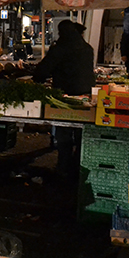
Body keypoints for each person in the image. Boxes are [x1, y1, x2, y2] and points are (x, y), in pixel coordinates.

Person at [33, 19, 96, 176]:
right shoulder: (87, 48)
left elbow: (43, 70)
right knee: (81, 132)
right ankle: (79, 166)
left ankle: (64, 167)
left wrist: (38, 78)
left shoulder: (60, 48)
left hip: (64, 97)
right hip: (85, 97)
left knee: (64, 132)